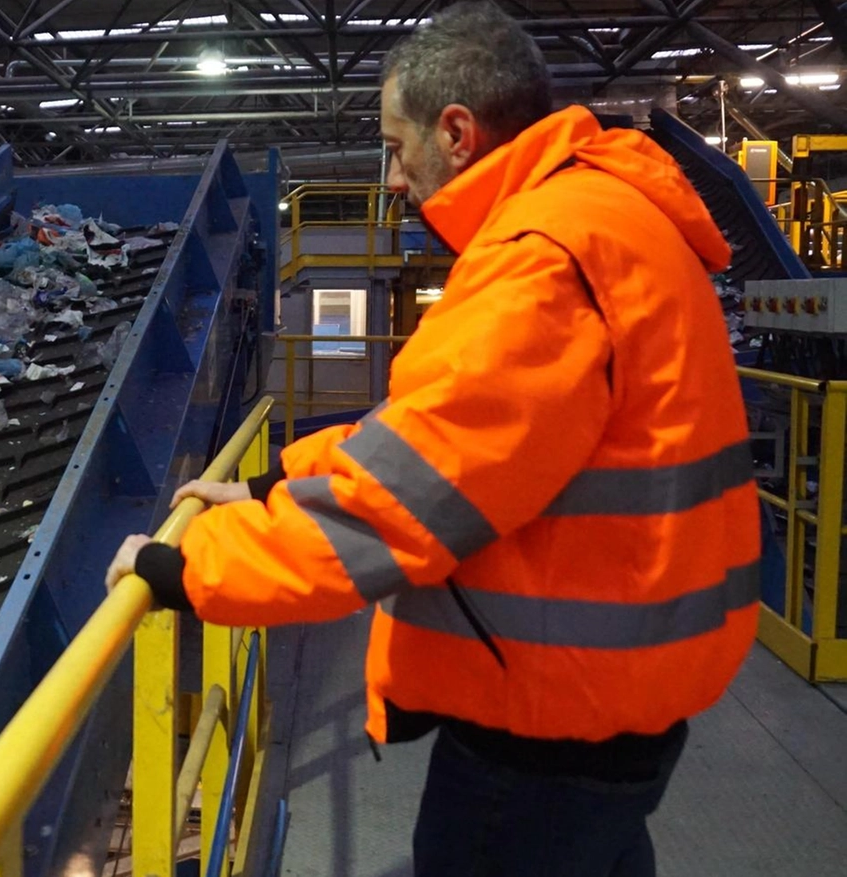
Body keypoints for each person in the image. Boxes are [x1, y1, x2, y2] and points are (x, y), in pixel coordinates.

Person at [105, 2, 759, 874]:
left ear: (456, 131)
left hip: (544, 728)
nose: (390, 182)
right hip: (608, 701)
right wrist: (272, 488)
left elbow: (394, 509)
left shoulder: (543, 258)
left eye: (394, 146)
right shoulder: (606, 218)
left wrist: (185, 569)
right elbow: (443, 438)